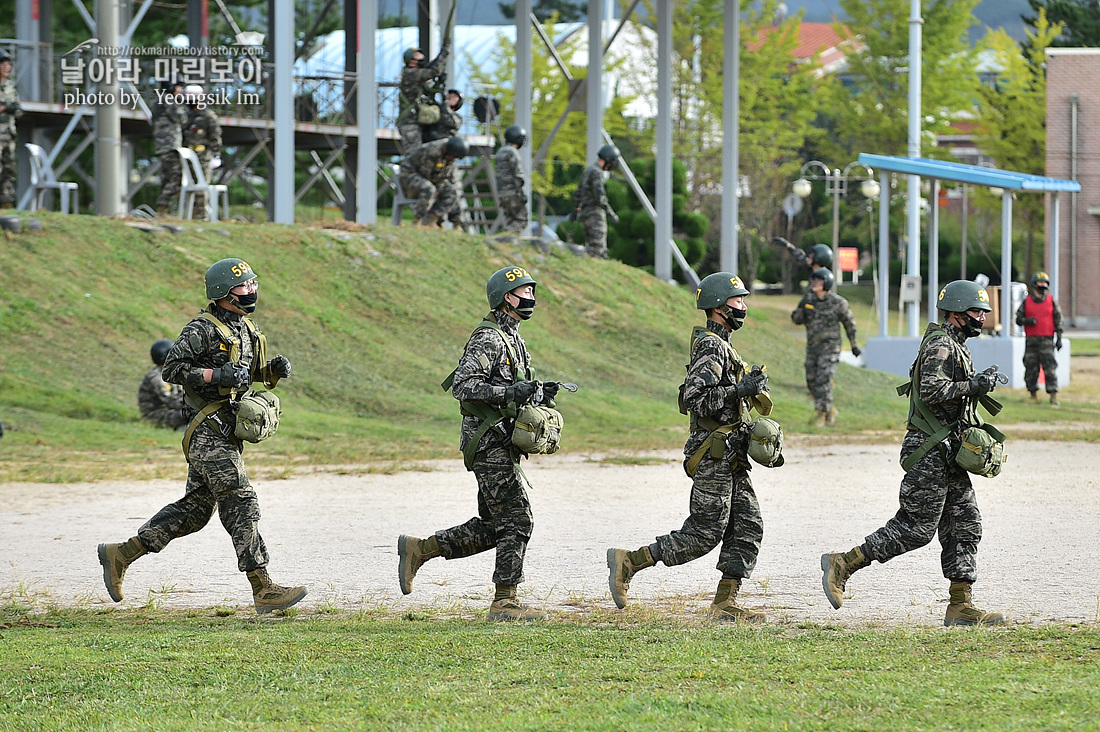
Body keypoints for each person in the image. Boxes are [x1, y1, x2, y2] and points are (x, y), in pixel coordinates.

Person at [98, 258, 305, 614]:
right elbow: (173, 369)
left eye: (253, 284)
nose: (251, 291)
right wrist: (214, 375)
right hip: (206, 433)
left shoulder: (245, 327)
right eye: (244, 287)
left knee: (194, 513)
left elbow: (245, 372)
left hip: (227, 430)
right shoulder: (201, 329)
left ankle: (121, 554)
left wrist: (270, 370)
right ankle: (263, 587)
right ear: (224, 292)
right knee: (240, 498)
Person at [820, 280, 1007, 627]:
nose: (982, 317)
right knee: (916, 528)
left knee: (965, 523)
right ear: (955, 312)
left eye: (984, 312)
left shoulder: (955, 344)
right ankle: (843, 563)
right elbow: (932, 389)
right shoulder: (940, 343)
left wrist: (979, 382)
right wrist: (973, 385)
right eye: (976, 311)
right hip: (930, 450)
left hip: (948, 450)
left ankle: (961, 606)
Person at [397, 266, 561, 622]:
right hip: (487, 443)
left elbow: (510, 386)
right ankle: (505, 602)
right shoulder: (488, 338)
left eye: (533, 293)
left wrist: (536, 391)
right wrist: (507, 392)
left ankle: (420, 549)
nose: (532, 299)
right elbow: (462, 385)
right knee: (518, 519)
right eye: (525, 293)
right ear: (506, 298)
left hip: (502, 442)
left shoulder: (513, 338)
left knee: (493, 525)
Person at [606, 273, 772, 622]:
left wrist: (747, 387)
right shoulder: (711, 345)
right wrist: (739, 391)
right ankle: (630, 561)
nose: (743, 306)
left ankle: (724, 604)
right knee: (704, 533)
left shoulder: (723, 344)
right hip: (713, 454)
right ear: (718, 305)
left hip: (730, 453)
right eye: (737, 301)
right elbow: (696, 399)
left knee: (748, 525)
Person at [790, 268, 859, 426]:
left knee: (824, 377)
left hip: (831, 347)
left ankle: (822, 414)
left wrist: (854, 344)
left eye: (819, 280)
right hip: (813, 347)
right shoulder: (808, 301)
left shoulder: (838, 302)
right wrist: (802, 307)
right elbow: (797, 319)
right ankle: (830, 409)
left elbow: (849, 323)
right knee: (811, 380)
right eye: (813, 279)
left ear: (826, 282)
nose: (814, 282)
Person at [1015, 271, 1064, 405]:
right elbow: (1018, 319)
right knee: (1031, 368)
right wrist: (1027, 321)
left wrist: (1059, 337)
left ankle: (1053, 396)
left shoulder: (1051, 301)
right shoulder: (1027, 302)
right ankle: (1033, 394)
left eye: (1045, 283)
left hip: (1047, 340)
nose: (1043, 285)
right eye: (1040, 282)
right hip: (1031, 341)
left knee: (1050, 368)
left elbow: (1058, 319)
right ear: (1034, 284)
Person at [398, 136, 466, 227]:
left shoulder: (449, 157)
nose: (453, 159)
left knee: (452, 191)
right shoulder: (432, 151)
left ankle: (432, 220)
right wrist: (438, 188)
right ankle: (417, 221)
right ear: (447, 151)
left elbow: (447, 177)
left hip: (430, 179)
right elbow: (426, 173)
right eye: (452, 156)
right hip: (409, 176)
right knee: (429, 189)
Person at [398, 45, 450, 152]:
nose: (422, 58)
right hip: (410, 123)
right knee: (413, 155)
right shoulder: (411, 73)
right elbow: (434, 71)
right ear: (411, 61)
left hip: (418, 121)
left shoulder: (416, 74)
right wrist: (443, 55)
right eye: (418, 56)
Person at [572, 145, 621, 259]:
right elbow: (599, 197)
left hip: (585, 214)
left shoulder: (588, 170)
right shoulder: (597, 173)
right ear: (609, 160)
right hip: (595, 214)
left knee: (590, 248)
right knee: (598, 250)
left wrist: (576, 210)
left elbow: (578, 193)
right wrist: (611, 213)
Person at [182, 84, 222, 215]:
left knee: (201, 188)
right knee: (186, 187)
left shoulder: (208, 116)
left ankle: (200, 216)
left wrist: (216, 156)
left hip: (203, 156)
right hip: (186, 156)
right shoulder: (184, 116)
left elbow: (215, 137)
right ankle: (188, 214)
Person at [152, 78, 187, 215]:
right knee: (176, 176)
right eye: (179, 87)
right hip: (170, 145)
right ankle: (163, 205)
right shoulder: (169, 100)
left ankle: (163, 210)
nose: (181, 90)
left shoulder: (158, 100)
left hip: (162, 145)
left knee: (166, 177)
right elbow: (181, 118)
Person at [138, 338, 187, 429]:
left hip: (170, 410)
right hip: (156, 415)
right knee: (188, 412)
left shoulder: (173, 372)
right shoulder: (156, 377)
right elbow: (170, 401)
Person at [494, 125, 528, 235]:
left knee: (510, 220)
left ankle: (510, 243)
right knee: (521, 220)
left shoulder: (500, 151)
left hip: (502, 193)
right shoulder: (512, 152)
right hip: (513, 192)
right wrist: (522, 193)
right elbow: (518, 174)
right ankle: (505, 236)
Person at [0, 51, 23, 210]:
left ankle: (6, 200)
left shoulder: (10, 87)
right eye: (3, 64)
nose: (7, 68)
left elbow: (18, 109)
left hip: (8, 133)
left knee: (9, 168)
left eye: (9, 64)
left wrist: (5, 108)